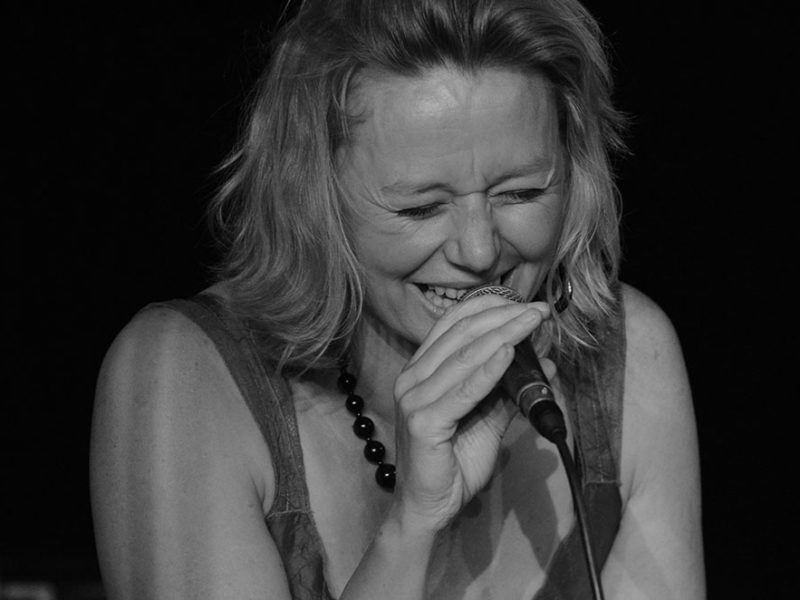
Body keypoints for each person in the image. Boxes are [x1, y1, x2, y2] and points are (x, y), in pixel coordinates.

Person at [90, 0, 705, 598]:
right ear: (313, 201)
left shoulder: (628, 353)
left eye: (520, 193)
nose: (479, 251)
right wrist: (412, 526)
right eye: (420, 207)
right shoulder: (180, 373)